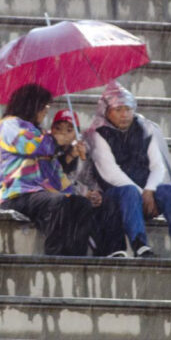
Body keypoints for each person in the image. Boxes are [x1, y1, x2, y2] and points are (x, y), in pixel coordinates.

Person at [0, 84, 123, 256]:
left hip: (41, 194)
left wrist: (80, 194)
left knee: (80, 204)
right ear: (31, 106)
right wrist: (57, 141)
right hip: (17, 195)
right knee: (59, 203)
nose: (45, 112)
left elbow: (56, 174)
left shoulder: (39, 133)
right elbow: (33, 146)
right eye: (44, 107)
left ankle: (76, 258)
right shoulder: (9, 125)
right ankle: (55, 258)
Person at [81, 81, 171, 259]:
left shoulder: (144, 128)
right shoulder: (97, 134)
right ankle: (140, 245)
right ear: (107, 111)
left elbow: (157, 165)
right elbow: (110, 172)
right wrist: (142, 194)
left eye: (128, 109)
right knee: (129, 192)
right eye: (118, 109)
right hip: (116, 196)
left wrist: (150, 189)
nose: (124, 115)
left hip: (146, 193)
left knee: (170, 192)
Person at [50, 109, 127, 257]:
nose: (63, 133)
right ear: (52, 130)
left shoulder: (82, 152)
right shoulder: (47, 150)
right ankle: (96, 249)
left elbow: (91, 178)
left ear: (76, 133)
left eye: (69, 130)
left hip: (83, 195)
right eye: (58, 129)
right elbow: (58, 180)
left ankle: (116, 250)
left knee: (109, 201)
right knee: (81, 205)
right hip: (63, 199)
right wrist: (84, 192)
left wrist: (96, 193)